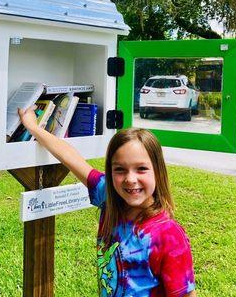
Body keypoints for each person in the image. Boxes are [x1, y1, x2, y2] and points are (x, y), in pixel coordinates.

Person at [19, 106, 196, 297]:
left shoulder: (169, 236)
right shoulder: (110, 197)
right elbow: (70, 156)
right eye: (120, 169)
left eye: (141, 168)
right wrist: (34, 127)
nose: (130, 179)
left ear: (158, 171)